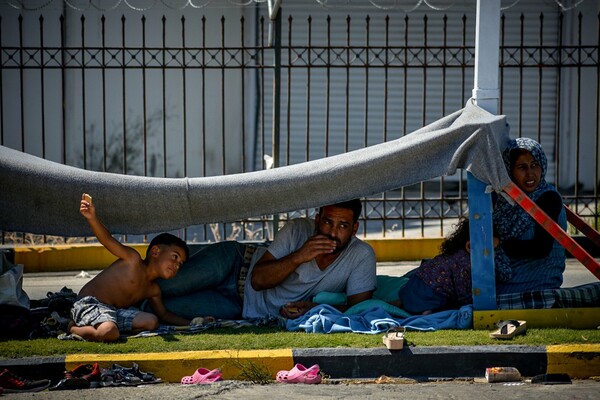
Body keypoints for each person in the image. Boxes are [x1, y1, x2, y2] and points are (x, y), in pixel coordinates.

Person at [149, 199, 377, 320]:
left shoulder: (361, 256)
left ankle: (125, 316)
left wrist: (315, 308)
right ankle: (115, 293)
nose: (332, 232)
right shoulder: (298, 229)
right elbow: (257, 280)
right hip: (236, 263)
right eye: (327, 222)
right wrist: (299, 256)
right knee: (166, 284)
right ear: (317, 220)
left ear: (354, 228)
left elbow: (359, 310)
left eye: (343, 226)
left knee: (160, 307)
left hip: (240, 307)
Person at [69, 193, 193, 342]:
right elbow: (107, 240)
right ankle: (72, 328)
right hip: (91, 304)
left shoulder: (153, 290)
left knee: (151, 321)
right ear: (155, 251)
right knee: (109, 332)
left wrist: (191, 323)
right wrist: (92, 218)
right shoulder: (132, 260)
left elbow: (163, 315)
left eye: (180, 263)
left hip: (115, 313)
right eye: (175, 257)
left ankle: (106, 327)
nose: (177, 265)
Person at [493, 137, 567, 295]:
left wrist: (499, 244)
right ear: (510, 171)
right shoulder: (509, 200)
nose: (530, 174)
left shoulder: (548, 198)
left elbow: (541, 248)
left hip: (539, 277)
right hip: (514, 272)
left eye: (535, 165)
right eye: (522, 167)